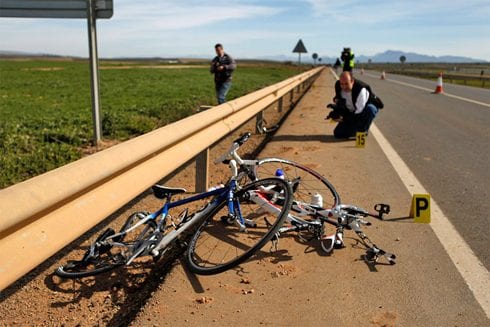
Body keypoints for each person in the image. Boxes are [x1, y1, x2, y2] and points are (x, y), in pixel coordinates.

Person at [326, 72, 383, 139]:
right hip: (352, 111)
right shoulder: (338, 85)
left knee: (370, 109)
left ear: (352, 81)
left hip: (363, 111)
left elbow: (358, 112)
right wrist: (337, 110)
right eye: (342, 84)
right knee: (338, 134)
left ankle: (363, 132)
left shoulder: (361, 89)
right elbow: (340, 101)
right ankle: (355, 130)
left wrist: (344, 119)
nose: (344, 87)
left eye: (346, 84)